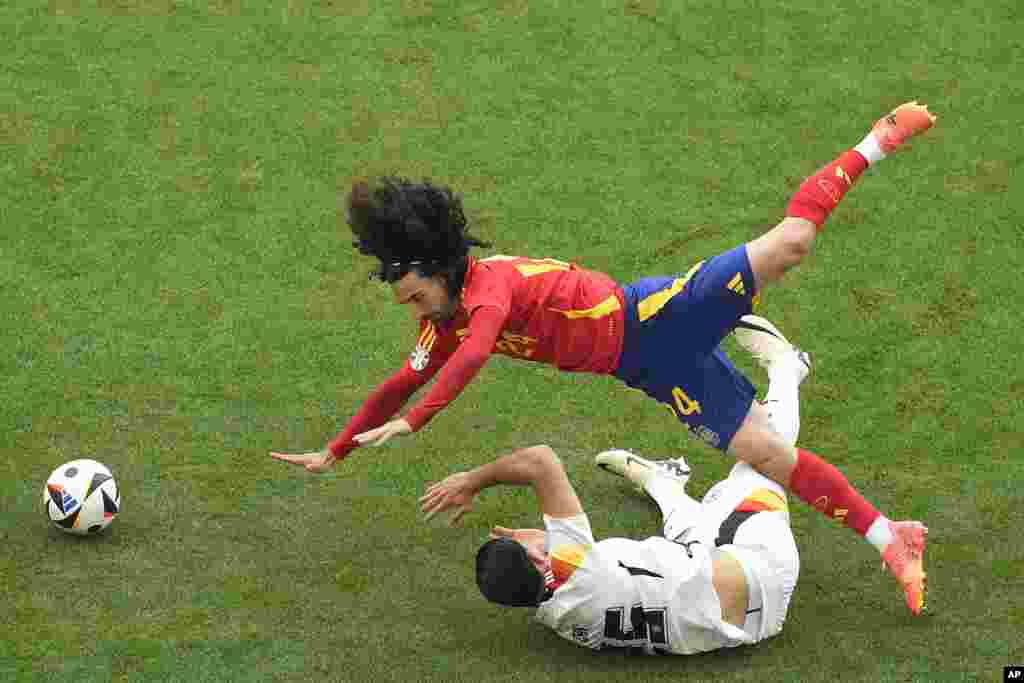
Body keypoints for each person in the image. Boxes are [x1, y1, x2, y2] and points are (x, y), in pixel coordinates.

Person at [271, 101, 935, 614]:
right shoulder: (443, 316)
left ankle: (877, 140)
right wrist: (338, 448)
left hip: (656, 314)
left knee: (791, 243)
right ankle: (893, 541)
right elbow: (401, 379)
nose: (416, 311)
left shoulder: (488, 291)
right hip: (651, 369)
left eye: (416, 295)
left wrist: (417, 424)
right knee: (766, 457)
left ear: (439, 272)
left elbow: (474, 353)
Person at [418, 339, 810, 654]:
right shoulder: (573, 568)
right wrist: (473, 481)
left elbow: (563, 567)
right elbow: (540, 462)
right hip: (765, 569)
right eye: (533, 544)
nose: (535, 535)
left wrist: (529, 548)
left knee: (685, 541)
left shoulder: (559, 617)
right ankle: (789, 369)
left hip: (738, 621)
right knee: (761, 460)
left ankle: (662, 482)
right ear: (540, 561)